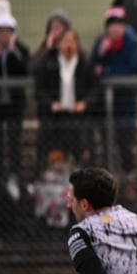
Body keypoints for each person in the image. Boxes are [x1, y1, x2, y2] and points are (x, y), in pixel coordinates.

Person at [89, 6, 137, 198]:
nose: (115, 29)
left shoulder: (131, 43)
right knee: (106, 143)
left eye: (118, 25)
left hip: (126, 105)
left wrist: (107, 71)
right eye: (111, 25)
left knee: (125, 144)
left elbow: (130, 69)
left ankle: (129, 180)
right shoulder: (100, 43)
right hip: (104, 106)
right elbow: (92, 67)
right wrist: (100, 54)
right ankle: (108, 185)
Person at [33, 28, 99, 176]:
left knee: (82, 156)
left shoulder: (85, 64)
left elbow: (95, 89)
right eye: (65, 41)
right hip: (54, 118)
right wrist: (51, 104)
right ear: (59, 44)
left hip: (78, 118)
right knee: (50, 154)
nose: (69, 45)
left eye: (72, 41)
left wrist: (85, 103)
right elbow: (39, 89)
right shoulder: (48, 62)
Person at [0, 13, 30, 200]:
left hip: (14, 108)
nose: (4, 36)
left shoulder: (20, 51)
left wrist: (11, 55)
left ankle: (14, 178)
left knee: (14, 143)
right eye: (0, 32)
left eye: (7, 32)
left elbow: (24, 71)